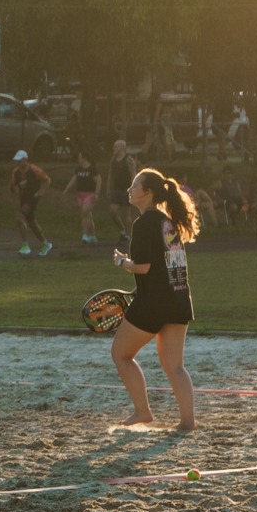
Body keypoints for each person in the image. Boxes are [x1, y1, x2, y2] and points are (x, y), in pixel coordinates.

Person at [108, 167, 199, 431]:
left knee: (120, 354)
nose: (129, 189)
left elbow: (145, 266)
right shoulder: (166, 222)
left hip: (155, 304)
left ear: (147, 193)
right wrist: (141, 287)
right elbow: (166, 267)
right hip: (179, 299)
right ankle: (187, 422)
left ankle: (142, 411)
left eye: (135, 185)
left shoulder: (144, 223)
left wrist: (123, 263)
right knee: (175, 366)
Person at [8, 150, 53, 256]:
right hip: (23, 199)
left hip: (33, 198)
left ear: (25, 160)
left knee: (19, 217)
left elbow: (47, 180)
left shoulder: (34, 169)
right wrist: (13, 189)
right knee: (32, 223)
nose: (17, 163)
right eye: (16, 161)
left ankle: (25, 245)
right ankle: (46, 244)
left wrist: (41, 191)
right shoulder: (16, 172)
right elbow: (12, 185)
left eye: (19, 161)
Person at [62, 150, 99, 244]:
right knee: (88, 215)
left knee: (84, 212)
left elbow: (98, 182)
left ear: (84, 158)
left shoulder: (92, 169)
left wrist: (96, 194)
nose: (78, 159)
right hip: (80, 195)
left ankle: (85, 235)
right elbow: (74, 179)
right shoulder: (79, 169)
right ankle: (93, 236)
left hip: (90, 194)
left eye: (79, 157)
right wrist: (67, 188)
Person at [107, 139, 136, 245]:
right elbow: (111, 174)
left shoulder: (128, 160)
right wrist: (109, 187)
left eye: (116, 147)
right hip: (117, 190)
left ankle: (129, 234)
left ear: (122, 148)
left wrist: (133, 188)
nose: (114, 148)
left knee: (126, 214)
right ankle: (123, 229)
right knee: (112, 211)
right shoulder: (113, 160)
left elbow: (133, 174)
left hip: (126, 189)